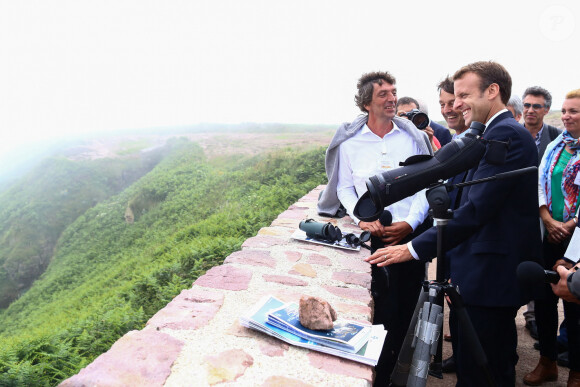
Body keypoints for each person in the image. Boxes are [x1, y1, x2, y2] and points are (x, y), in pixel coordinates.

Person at [365, 61, 542, 386]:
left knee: (486, 369)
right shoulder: (486, 133)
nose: (457, 103)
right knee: (470, 366)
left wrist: (414, 248)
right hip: (473, 271)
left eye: (464, 95)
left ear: (492, 91)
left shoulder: (507, 135)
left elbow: (476, 209)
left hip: (491, 276)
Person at [319, 71, 433, 386]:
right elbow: (343, 188)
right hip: (369, 237)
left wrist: (409, 222)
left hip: (407, 235)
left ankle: (395, 374)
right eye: (383, 94)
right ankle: (374, 375)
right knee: (376, 309)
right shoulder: (350, 142)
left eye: (394, 93)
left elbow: (426, 185)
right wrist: (361, 217)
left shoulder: (412, 137)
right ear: (367, 102)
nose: (392, 99)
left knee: (406, 308)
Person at [524, 89, 580, 387]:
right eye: (566, 110)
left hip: (578, 238)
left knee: (575, 303)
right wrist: (547, 218)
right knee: (544, 300)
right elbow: (540, 181)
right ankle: (547, 363)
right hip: (551, 232)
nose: (568, 116)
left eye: (574, 111)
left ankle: (577, 372)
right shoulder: (557, 145)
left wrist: (571, 223)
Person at [520, 86, 562, 341]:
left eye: (536, 106)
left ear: (546, 109)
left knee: (542, 265)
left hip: (545, 216)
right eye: (526, 105)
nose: (530, 110)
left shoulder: (557, 138)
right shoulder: (513, 133)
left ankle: (534, 317)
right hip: (516, 212)